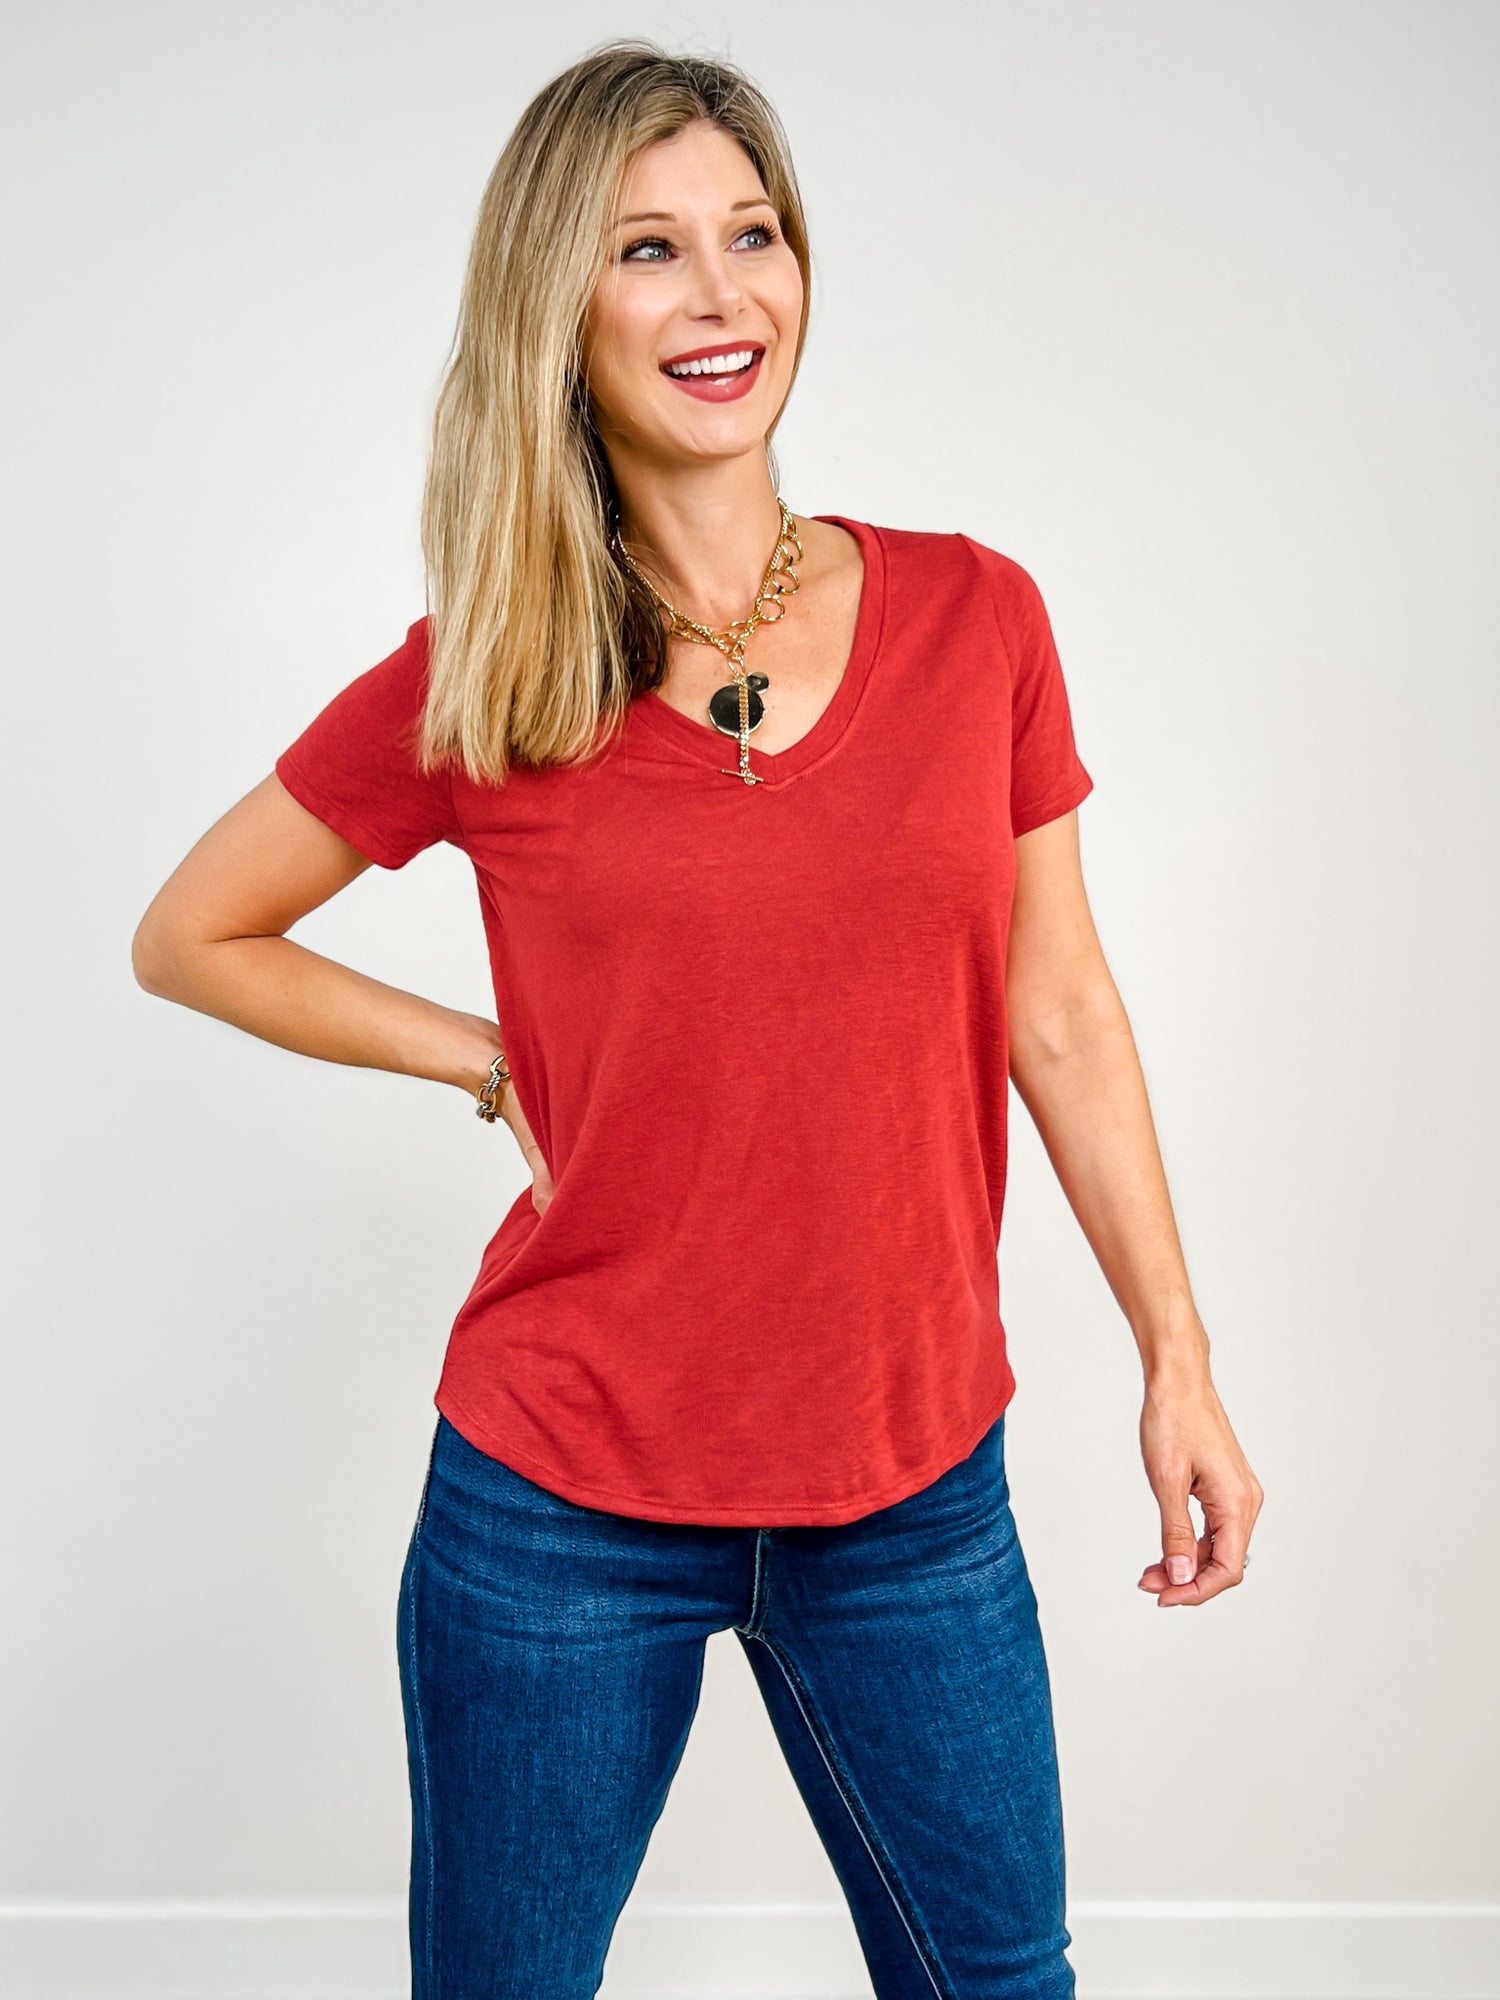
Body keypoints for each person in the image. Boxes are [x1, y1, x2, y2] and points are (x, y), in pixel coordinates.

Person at [131, 38, 1262, 2000]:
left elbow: (1063, 1011)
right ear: (558, 306)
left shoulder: (976, 617)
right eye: (647, 248)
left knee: (1003, 1983)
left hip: (913, 1488)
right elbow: (194, 931)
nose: (720, 293)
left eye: (754, 234)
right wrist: (480, 1055)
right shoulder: (489, 672)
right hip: (560, 1504)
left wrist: (1179, 1356)